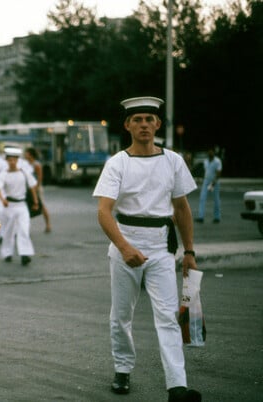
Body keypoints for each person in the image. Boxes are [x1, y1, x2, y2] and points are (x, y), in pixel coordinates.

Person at [93, 96, 201, 402]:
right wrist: (124, 247)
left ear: (158, 124)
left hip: (161, 247)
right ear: (127, 125)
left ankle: (177, 387)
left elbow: (181, 208)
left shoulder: (173, 161)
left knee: (168, 316)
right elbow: (104, 211)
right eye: (137, 120)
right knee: (121, 315)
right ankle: (123, 369)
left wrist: (189, 252)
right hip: (125, 242)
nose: (144, 125)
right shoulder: (117, 163)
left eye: (149, 120)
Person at [0, 146, 39, 266]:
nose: (12, 162)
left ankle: (25, 254)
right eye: (10, 160)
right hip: (9, 206)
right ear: (7, 161)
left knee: (24, 230)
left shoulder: (24, 173)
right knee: (8, 231)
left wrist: (35, 202)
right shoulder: (3, 174)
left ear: (17, 160)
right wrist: (2, 199)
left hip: (22, 205)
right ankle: (7, 253)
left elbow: (32, 187)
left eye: (14, 159)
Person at [24, 147, 52, 232]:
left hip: (36, 188)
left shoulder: (36, 165)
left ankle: (48, 224)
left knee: (42, 205)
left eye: (27, 153)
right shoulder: (25, 163)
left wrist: (36, 188)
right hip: (28, 188)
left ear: (30, 154)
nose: (25, 155)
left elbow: (39, 178)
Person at [196, 147, 222, 223]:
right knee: (202, 198)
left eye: (211, 152)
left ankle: (217, 217)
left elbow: (218, 173)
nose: (210, 153)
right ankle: (201, 217)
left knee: (216, 199)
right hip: (206, 181)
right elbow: (205, 172)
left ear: (214, 152)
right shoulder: (206, 161)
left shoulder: (217, 161)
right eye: (209, 152)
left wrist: (213, 183)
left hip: (214, 182)